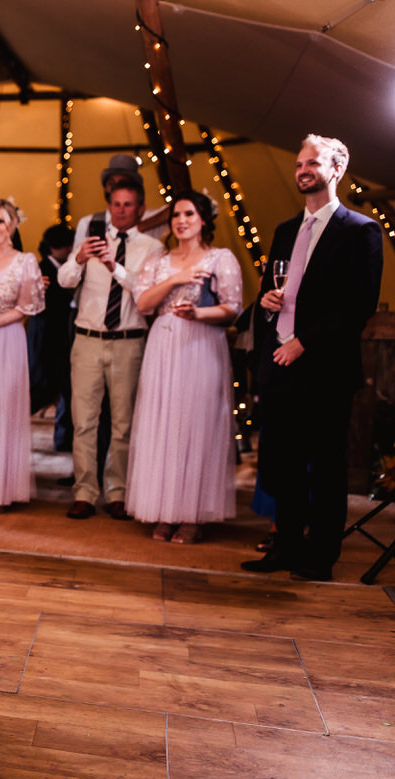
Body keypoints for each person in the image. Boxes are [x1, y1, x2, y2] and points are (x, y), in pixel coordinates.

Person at [243, 134, 383, 582]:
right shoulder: (286, 230)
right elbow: (276, 287)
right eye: (299, 163)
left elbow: (358, 305)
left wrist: (304, 341)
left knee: (325, 466)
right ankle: (283, 548)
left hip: (323, 369)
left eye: (312, 163)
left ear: (336, 169)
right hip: (278, 364)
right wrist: (267, 302)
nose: (302, 169)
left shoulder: (360, 230)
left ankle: (320, 557)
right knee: (282, 463)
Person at [126, 191, 243, 542]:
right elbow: (144, 303)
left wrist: (199, 313)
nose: (181, 221)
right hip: (162, 345)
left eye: (189, 214)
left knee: (197, 425)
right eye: (176, 215)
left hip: (201, 346)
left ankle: (192, 515)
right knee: (162, 424)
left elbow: (232, 307)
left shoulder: (220, 258)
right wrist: (175, 279)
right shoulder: (157, 260)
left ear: (203, 220)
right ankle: (164, 510)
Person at [58, 181, 163, 521]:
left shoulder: (152, 247)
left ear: (140, 210)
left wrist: (113, 265)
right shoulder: (89, 237)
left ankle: (117, 491)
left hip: (129, 342)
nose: (120, 210)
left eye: (127, 204)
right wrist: (79, 258)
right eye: (115, 204)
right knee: (83, 422)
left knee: (123, 423)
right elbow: (64, 281)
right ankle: (85, 492)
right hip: (87, 340)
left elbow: (146, 291)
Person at [0, 199, 44, 508]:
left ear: (12, 225)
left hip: (7, 339)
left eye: (0, 221)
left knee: (2, 410)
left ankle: (0, 488)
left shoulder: (25, 261)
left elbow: (27, 306)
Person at [27, 223, 75, 450]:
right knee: (41, 389)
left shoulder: (60, 269)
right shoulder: (41, 269)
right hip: (45, 338)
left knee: (64, 391)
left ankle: (63, 440)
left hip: (60, 342)